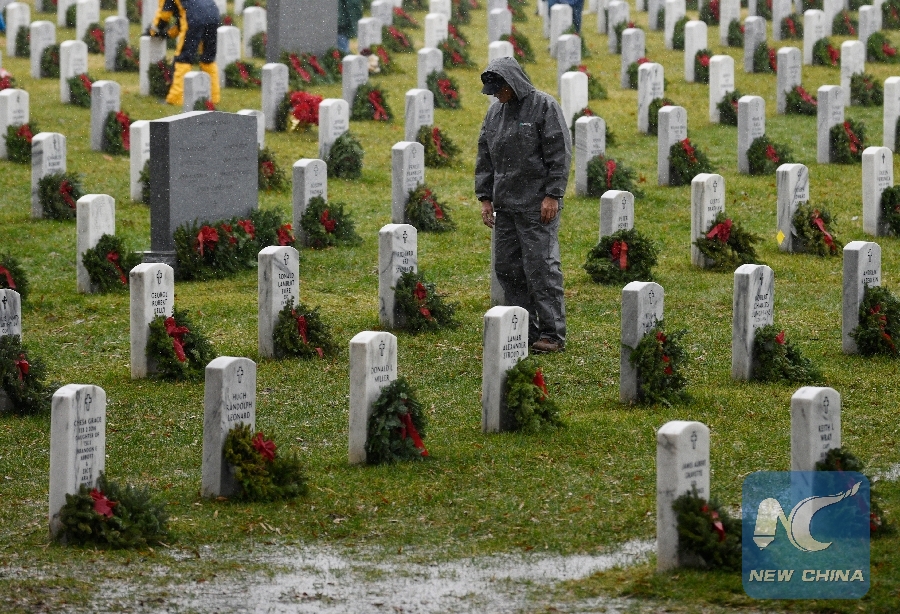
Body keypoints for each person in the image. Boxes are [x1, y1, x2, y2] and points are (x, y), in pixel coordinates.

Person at [475, 57, 571, 353]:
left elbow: (559, 152)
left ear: (512, 83)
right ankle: (524, 328)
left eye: (499, 90)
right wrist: (485, 198)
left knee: (541, 269)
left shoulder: (544, 107)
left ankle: (552, 333)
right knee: (507, 268)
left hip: (536, 205)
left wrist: (553, 194)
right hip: (506, 205)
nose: (496, 96)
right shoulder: (494, 114)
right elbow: (485, 156)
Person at [150, 0, 221, 107]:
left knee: (184, 57)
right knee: (208, 57)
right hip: (213, 15)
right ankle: (213, 96)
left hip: (194, 17)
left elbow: (164, 15)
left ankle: (176, 97)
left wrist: (154, 30)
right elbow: (181, 19)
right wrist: (168, 34)